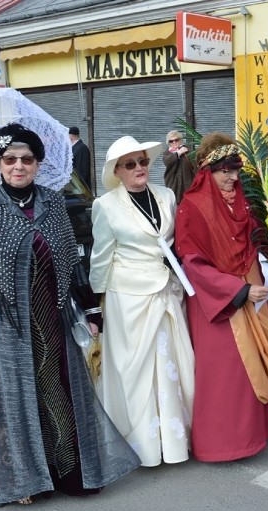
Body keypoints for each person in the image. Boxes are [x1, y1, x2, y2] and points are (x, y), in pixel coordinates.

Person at [0, 123, 139, 506]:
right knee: (11, 399)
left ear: (37, 163)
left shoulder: (52, 203)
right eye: (9, 159)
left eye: (27, 159)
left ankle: (68, 471)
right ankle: (22, 481)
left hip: (51, 318)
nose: (19, 166)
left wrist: (92, 310)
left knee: (57, 392)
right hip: (0, 327)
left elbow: (71, 261)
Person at [175, 133, 268, 462]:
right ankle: (220, 443)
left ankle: (251, 438)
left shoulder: (239, 201)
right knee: (226, 371)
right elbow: (193, 263)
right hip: (217, 299)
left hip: (250, 289)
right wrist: (237, 290)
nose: (232, 177)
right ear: (206, 172)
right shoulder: (192, 206)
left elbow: (253, 248)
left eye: (235, 169)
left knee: (251, 363)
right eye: (224, 170)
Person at [89, 136, 195, 467]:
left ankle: (174, 442)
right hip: (128, 298)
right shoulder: (105, 206)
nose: (140, 168)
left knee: (171, 365)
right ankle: (142, 445)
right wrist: (96, 306)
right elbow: (101, 258)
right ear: (117, 171)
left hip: (166, 291)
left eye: (143, 162)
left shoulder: (166, 196)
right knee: (136, 372)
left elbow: (176, 244)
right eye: (131, 164)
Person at [162, 129, 196, 204]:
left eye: (176, 140)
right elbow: (167, 161)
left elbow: (195, 165)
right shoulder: (167, 153)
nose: (174, 142)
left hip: (187, 183)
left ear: (180, 140)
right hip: (173, 183)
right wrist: (178, 153)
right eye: (171, 141)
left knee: (188, 203)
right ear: (169, 143)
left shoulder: (187, 151)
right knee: (174, 204)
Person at [68, 126, 92, 190]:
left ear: (71, 136)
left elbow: (82, 170)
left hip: (80, 189)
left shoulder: (81, 148)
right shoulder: (74, 148)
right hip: (74, 186)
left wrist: (80, 187)